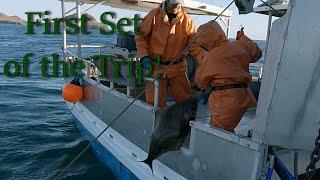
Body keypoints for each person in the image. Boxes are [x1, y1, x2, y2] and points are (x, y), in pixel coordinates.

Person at [189, 21, 262, 132]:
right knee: (229, 130)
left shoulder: (211, 57)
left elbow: (200, 82)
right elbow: (257, 53)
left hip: (225, 100)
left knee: (218, 132)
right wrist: (243, 38)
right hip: (245, 96)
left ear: (206, 41)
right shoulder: (240, 46)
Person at [135, 0, 196, 107]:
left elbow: (195, 45)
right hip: (155, 67)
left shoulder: (188, 21)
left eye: (177, 4)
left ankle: (183, 122)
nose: (175, 6)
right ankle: (158, 122)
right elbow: (140, 36)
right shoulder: (154, 15)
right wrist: (144, 56)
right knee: (154, 104)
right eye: (173, 4)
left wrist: (205, 59)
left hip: (178, 68)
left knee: (186, 103)